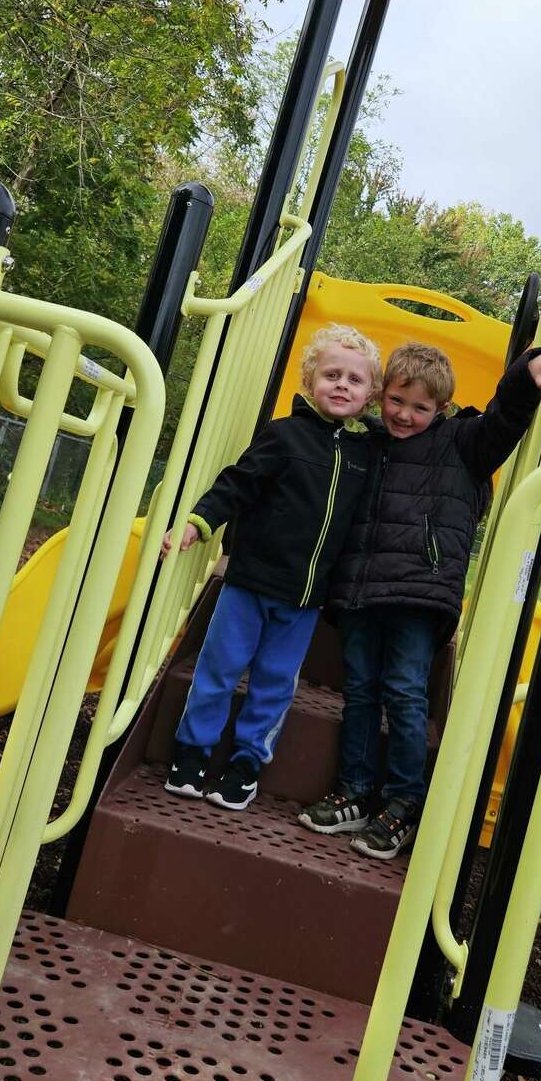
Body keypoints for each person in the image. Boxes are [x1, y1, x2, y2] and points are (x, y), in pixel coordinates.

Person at [298, 339, 541, 858]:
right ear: (380, 396)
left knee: (403, 690)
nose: (404, 415)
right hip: (361, 589)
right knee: (360, 689)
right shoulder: (365, 441)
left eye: (420, 408)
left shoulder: (461, 444)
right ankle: (353, 790)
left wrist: (526, 368)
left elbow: (504, 419)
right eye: (397, 401)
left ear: (440, 409)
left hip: (420, 595)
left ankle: (403, 802)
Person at [163, 323, 380, 812]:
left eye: (355, 379)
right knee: (219, 669)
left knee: (275, 684)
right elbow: (237, 482)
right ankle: (192, 752)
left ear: (370, 395)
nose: (342, 385)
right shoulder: (284, 436)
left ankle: (245, 764)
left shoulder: (366, 455)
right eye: (332, 374)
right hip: (250, 583)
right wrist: (199, 523)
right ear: (310, 381)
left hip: (305, 600)